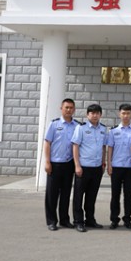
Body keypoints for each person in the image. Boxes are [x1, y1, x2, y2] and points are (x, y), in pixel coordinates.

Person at [43, 98, 81, 231]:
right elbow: (47, 143)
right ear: (61, 108)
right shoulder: (54, 124)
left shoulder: (77, 126)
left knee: (66, 193)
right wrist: (47, 162)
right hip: (55, 163)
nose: (69, 110)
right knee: (52, 194)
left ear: (74, 109)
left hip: (69, 163)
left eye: (71, 108)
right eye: (66, 107)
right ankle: (51, 221)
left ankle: (64, 220)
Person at [71, 103, 107, 232]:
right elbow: (75, 146)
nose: (95, 115)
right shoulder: (81, 128)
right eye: (92, 113)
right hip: (83, 167)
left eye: (97, 113)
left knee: (92, 196)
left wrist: (103, 163)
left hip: (97, 168)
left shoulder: (103, 129)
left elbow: (103, 147)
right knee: (78, 196)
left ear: (100, 115)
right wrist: (77, 165)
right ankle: (78, 221)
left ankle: (90, 219)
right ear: (87, 115)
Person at [105, 103, 131, 230]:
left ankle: (127, 219)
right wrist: (109, 164)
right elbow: (110, 148)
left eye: (128, 113)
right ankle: (114, 219)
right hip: (116, 166)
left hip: (130, 167)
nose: (125, 116)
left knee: (128, 195)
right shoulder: (114, 131)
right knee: (115, 195)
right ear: (119, 114)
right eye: (123, 113)